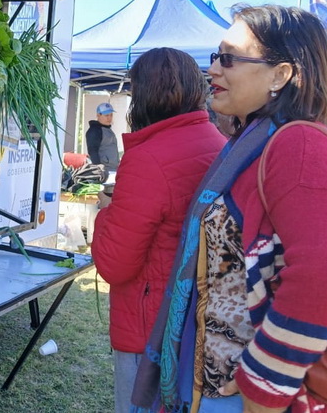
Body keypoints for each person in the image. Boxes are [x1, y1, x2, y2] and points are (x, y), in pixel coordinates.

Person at [132, 5, 327, 413]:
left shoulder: (301, 147)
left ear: (281, 74)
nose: (213, 70)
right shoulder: (252, 146)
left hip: (248, 396)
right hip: (215, 380)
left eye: (229, 58)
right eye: (214, 57)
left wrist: (263, 388)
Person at [91, 48, 226, 413]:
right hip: (194, 320)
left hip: (149, 326)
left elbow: (115, 265)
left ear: (143, 94)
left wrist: (105, 213)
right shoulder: (216, 141)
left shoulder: (148, 156)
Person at [85, 102, 120, 173]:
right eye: (106, 115)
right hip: (104, 170)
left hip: (112, 169)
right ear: (98, 115)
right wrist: (99, 169)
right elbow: (92, 151)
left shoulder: (107, 129)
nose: (109, 118)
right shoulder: (94, 130)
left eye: (111, 115)